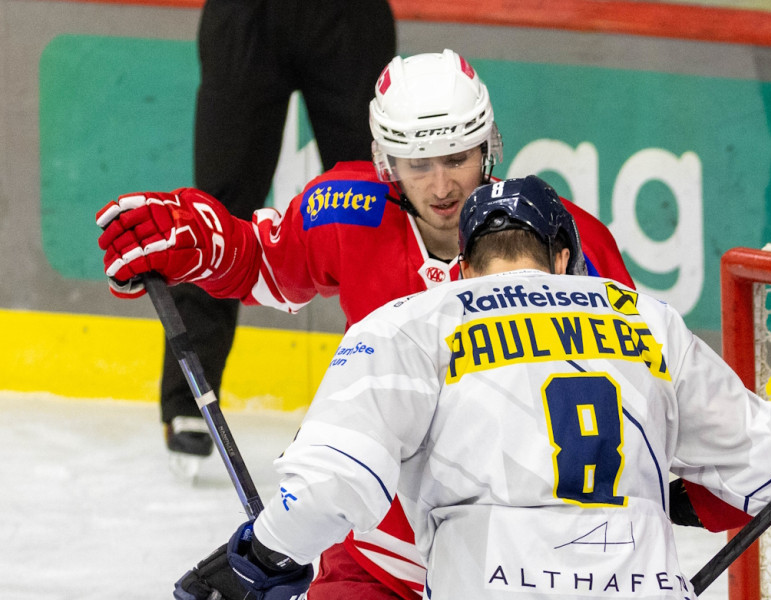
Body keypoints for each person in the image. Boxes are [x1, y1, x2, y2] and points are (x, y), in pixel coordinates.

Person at [166, 177, 771, 600]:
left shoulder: (413, 320)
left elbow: (333, 488)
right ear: (565, 257)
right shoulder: (647, 322)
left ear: (462, 265)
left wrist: (256, 560)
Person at [96, 51, 643, 599]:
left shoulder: (564, 241)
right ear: (387, 164)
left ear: (487, 148)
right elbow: (266, 261)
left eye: (456, 157)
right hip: (380, 553)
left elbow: (641, 381)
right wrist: (199, 241)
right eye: (418, 163)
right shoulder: (347, 208)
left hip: (520, 558)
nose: (441, 186)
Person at [160, 0, 397, 466]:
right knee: (219, 206)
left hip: (348, 18)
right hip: (247, 14)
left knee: (381, 199)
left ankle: (396, 388)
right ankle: (189, 398)